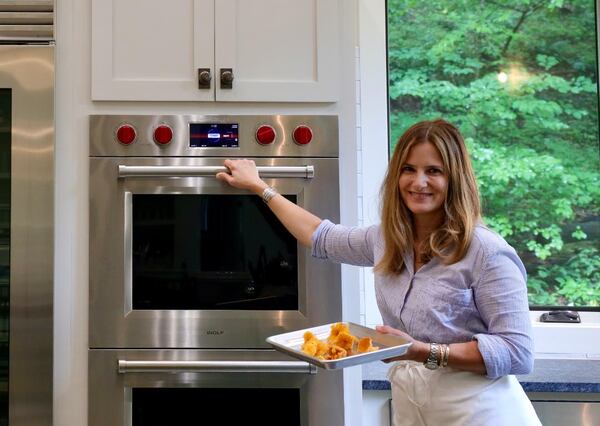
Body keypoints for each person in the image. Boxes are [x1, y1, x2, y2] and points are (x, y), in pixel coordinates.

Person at [216, 119, 541, 426]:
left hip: (479, 410)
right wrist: (261, 188)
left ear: (455, 179)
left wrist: (419, 351)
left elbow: (517, 352)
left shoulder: (486, 251)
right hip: (411, 404)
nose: (418, 182)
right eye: (408, 169)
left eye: (434, 171)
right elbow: (319, 235)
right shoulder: (386, 239)